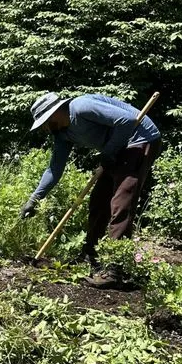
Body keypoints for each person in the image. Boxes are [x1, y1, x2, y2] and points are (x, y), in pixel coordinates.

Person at [20, 91, 162, 287]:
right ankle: (91, 257)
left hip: (139, 139)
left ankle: (115, 270)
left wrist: (109, 151)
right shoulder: (62, 134)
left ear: (55, 113)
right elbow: (54, 169)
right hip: (117, 147)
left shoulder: (81, 107)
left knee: (121, 204)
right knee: (98, 202)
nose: (45, 128)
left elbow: (128, 121)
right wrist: (34, 199)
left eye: (45, 122)